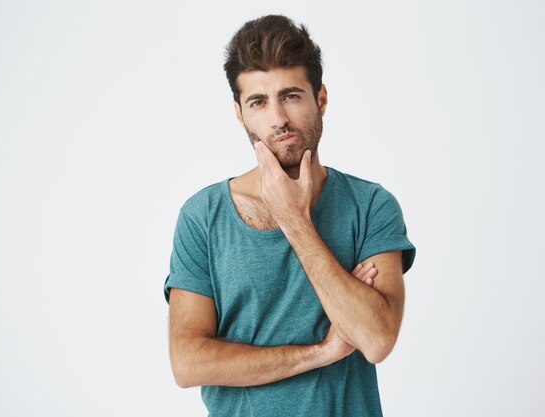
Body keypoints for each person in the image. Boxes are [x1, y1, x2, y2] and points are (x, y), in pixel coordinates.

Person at [163, 14, 416, 417]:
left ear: (321, 99)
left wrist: (295, 220)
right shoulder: (202, 216)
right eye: (258, 102)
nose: (278, 118)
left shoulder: (371, 205)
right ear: (239, 114)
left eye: (292, 95)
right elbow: (189, 361)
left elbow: (376, 338)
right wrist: (320, 353)